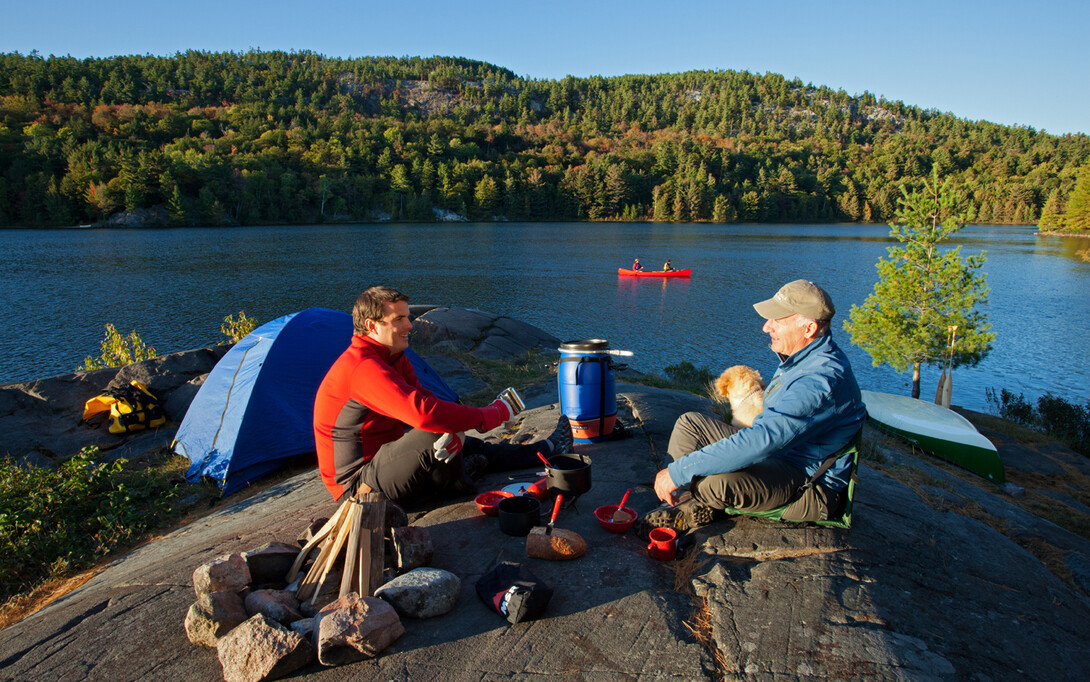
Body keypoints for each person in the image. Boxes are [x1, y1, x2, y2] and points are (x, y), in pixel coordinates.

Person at [640, 279, 867, 534]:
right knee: (690, 424)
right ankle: (684, 501)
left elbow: (762, 440)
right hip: (778, 457)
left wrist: (679, 471)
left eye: (777, 320)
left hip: (807, 485)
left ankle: (695, 499)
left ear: (809, 328)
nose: (766, 327)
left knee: (711, 482)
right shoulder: (805, 358)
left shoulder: (819, 381)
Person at [314, 285, 572, 506]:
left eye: (407, 317)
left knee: (460, 439)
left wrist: (461, 424)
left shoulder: (393, 357)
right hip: (359, 488)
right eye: (399, 320)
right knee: (436, 431)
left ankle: (547, 449)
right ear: (372, 326)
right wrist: (490, 415)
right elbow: (425, 415)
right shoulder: (363, 367)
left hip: (386, 462)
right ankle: (458, 479)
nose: (409, 325)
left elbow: (428, 401)